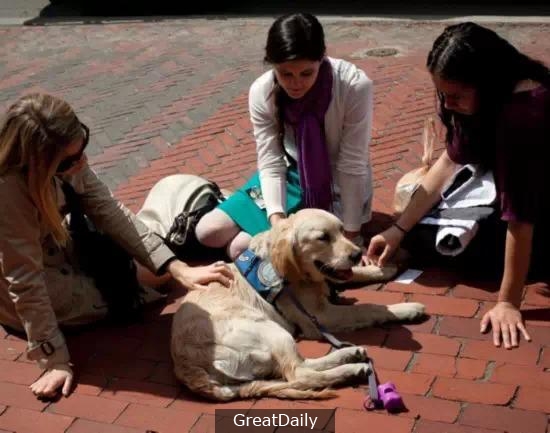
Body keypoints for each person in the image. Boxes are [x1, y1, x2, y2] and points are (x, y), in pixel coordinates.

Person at [0, 93, 233, 399]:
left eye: (83, 147)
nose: (81, 161)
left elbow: (107, 209)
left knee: (161, 271)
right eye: (69, 161)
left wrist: (179, 268)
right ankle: (191, 218)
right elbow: (25, 281)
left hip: (66, 247)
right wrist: (53, 358)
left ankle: (188, 219)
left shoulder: (64, 157)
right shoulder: (9, 191)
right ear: (39, 162)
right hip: (41, 286)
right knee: (138, 286)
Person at [366, 22, 550, 350]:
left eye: (455, 96)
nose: (447, 104)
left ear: (487, 83)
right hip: (519, 197)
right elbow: (448, 162)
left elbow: (520, 217)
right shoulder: (490, 99)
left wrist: (508, 302)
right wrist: (397, 229)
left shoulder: (525, 116)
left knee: (458, 251)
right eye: (442, 94)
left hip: (535, 210)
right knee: (421, 227)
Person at [195, 12, 374, 259]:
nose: (296, 84)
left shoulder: (354, 86)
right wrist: (277, 220)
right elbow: (270, 161)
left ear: (322, 58)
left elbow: (352, 163)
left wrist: (351, 237)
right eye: (286, 74)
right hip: (289, 175)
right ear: (272, 65)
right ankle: (232, 199)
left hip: (336, 183)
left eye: (306, 73)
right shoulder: (262, 91)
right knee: (207, 231)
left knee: (239, 249)